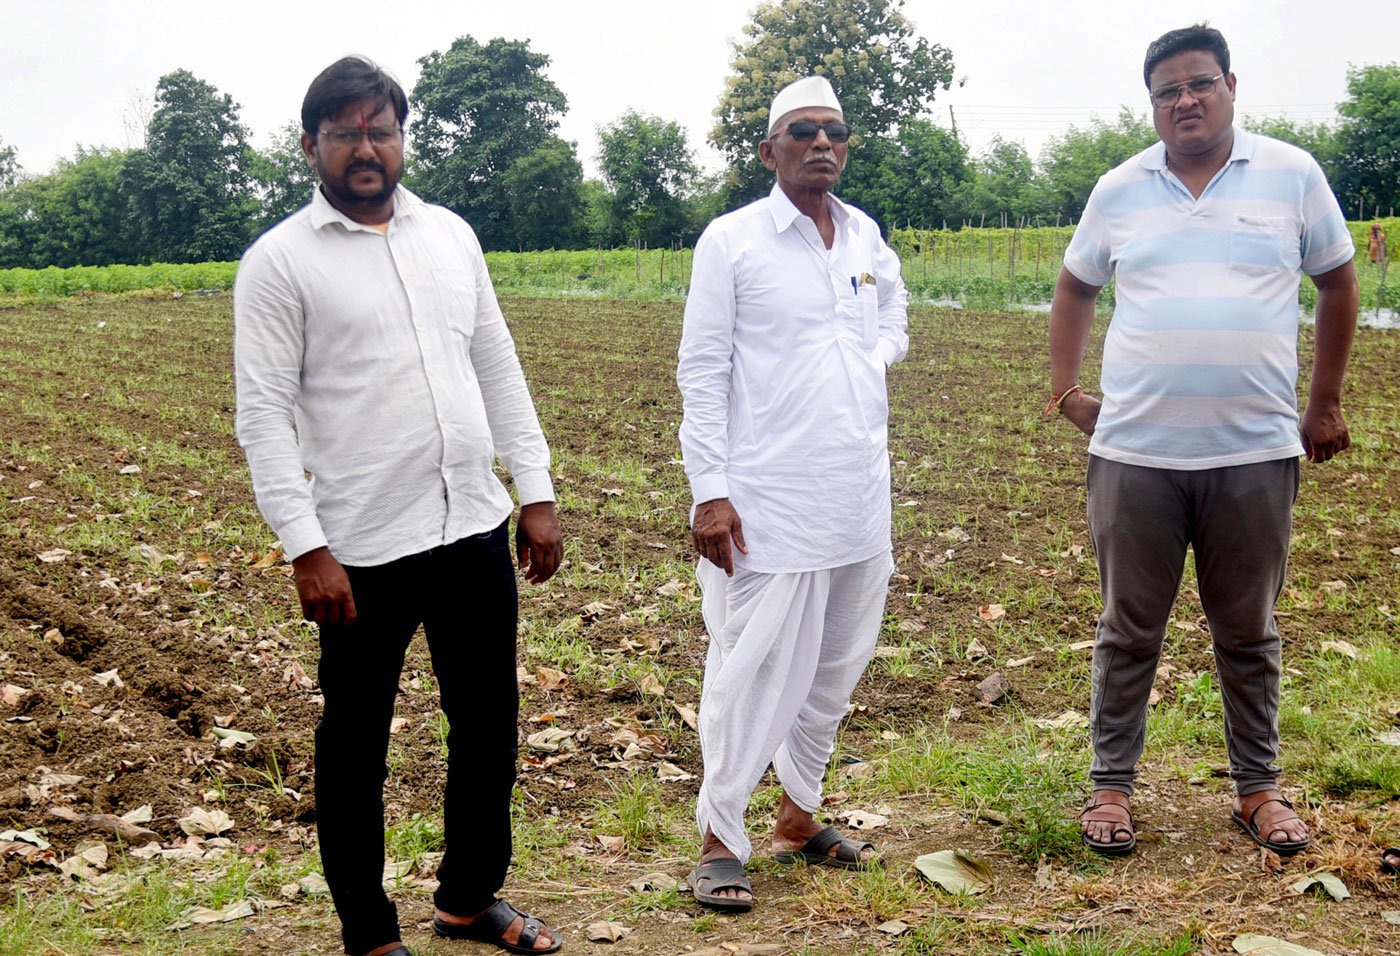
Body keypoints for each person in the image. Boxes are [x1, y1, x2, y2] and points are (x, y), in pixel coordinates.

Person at [234, 57, 564, 956]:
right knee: (355, 748)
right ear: (312, 146)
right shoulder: (279, 264)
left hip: (472, 529)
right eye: (346, 133)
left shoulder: (451, 235)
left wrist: (532, 490)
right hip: (362, 549)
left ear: (401, 137)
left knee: (490, 727)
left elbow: (495, 361)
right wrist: (306, 546)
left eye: (381, 129)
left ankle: (467, 901)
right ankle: (368, 933)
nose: (367, 148)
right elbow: (261, 416)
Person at [1047, 24, 1358, 858]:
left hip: (1255, 451)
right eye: (1166, 92)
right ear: (1151, 105)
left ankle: (1257, 788)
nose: (1184, 101)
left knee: (1249, 630)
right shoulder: (1119, 189)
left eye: (1199, 84)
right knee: (1127, 629)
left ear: (1230, 85)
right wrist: (1067, 390)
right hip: (1136, 455)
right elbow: (1075, 285)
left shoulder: (1291, 174)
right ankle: (1111, 788)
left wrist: (1323, 402)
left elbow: (1337, 282)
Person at [676, 75, 908, 911]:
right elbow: (701, 371)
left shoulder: (862, 235)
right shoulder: (732, 241)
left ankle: (798, 818)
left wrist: (872, 356)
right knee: (752, 670)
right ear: (770, 150)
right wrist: (711, 491)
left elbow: (895, 311)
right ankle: (718, 840)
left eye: (835, 132)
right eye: (803, 132)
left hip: (857, 494)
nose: (821, 145)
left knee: (836, 666)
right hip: (766, 501)